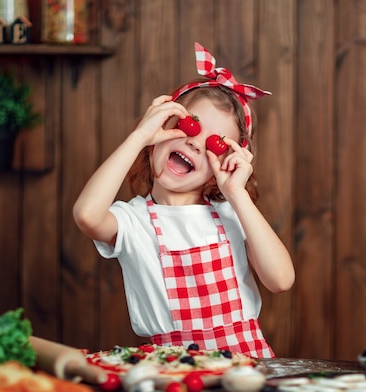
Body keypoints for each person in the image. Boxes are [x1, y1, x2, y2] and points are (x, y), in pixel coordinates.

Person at [73, 42, 294, 358]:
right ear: (159, 131)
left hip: (245, 361)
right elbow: (86, 215)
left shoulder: (233, 213)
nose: (195, 144)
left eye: (215, 145)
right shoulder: (133, 221)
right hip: (170, 364)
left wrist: (236, 194)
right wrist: (138, 137)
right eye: (189, 125)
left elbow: (281, 280)